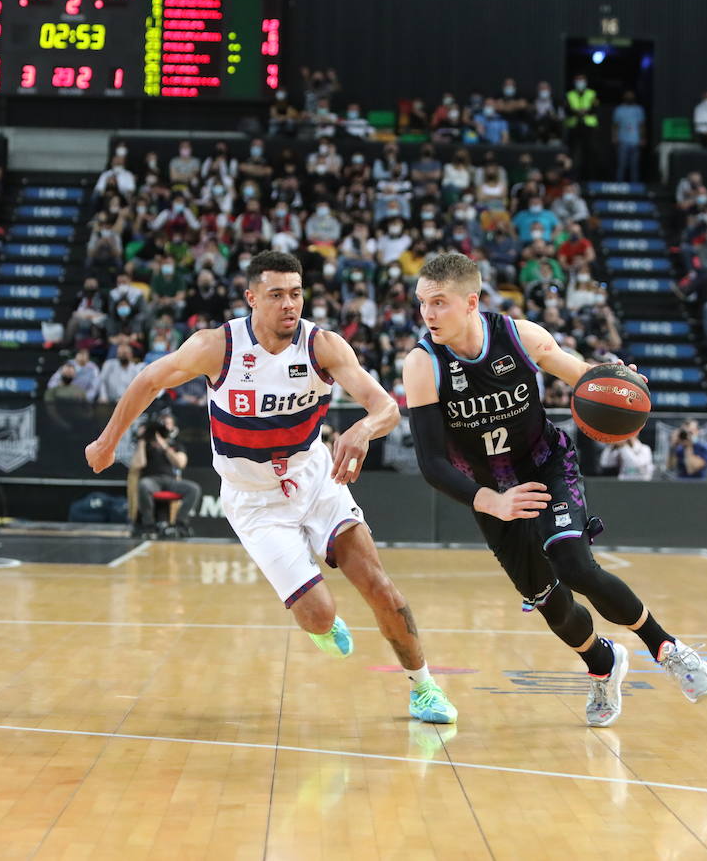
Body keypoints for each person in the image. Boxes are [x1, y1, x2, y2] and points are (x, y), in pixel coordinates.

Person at [85, 251, 457, 725]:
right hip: (254, 500)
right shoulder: (216, 346)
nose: (289, 304)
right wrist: (107, 440)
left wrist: (363, 429)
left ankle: (424, 688)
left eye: (296, 294)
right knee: (320, 616)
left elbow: (385, 407)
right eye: (277, 294)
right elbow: (150, 379)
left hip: (316, 480)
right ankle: (323, 625)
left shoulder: (323, 346)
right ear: (251, 298)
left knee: (380, 588)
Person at [403, 253, 707, 728]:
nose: (427, 313)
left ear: (471, 302)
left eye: (439, 302)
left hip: (547, 466)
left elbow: (584, 378)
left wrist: (618, 384)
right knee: (549, 601)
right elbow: (431, 463)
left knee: (573, 563)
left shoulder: (519, 336)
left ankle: (666, 647)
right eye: (423, 302)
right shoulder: (423, 364)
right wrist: (494, 503)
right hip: (492, 495)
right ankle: (603, 665)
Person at [131, 409, 201, 536]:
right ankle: (148, 524)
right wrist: (142, 439)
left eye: (168, 424)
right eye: (163, 423)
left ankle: (180, 523)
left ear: (173, 427)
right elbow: (138, 464)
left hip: (171, 481)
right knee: (143, 485)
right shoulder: (146, 444)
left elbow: (180, 463)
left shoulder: (176, 445)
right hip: (151, 480)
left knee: (193, 489)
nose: (165, 426)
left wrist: (164, 445)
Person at [565, 75, 599, 179]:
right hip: (574, 126)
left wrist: (585, 111)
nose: (580, 82)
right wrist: (576, 112)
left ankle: (589, 178)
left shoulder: (592, 93)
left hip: (588, 126)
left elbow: (595, 107)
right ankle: (571, 178)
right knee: (572, 153)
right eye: (578, 80)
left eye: (582, 80)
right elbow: (566, 109)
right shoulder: (569, 94)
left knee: (589, 153)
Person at [611, 91, 645, 184]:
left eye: (631, 94)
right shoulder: (619, 109)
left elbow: (641, 125)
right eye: (627, 94)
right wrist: (614, 137)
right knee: (621, 165)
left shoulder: (639, 109)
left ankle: (635, 186)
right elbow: (615, 125)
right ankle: (619, 185)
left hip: (635, 140)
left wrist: (642, 138)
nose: (629, 96)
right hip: (623, 140)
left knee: (635, 166)